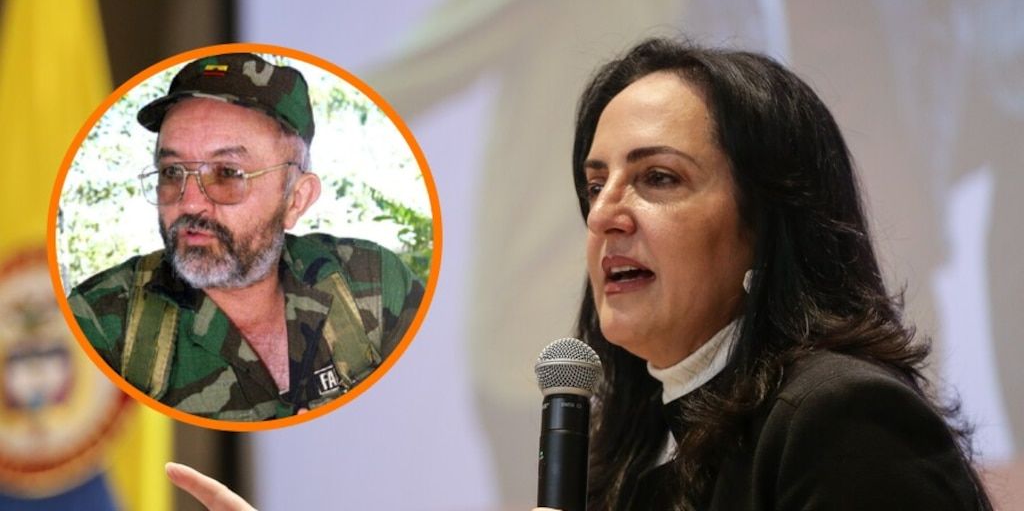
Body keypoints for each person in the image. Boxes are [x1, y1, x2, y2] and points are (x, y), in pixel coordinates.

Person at [163, 39, 994, 509]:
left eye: (658, 178)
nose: (605, 216)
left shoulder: (843, 420)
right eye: (596, 185)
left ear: (765, 223)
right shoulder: (626, 460)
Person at [68, 53, 424, 421]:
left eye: (227, 173)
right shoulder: (101, 321)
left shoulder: (373, 284)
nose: (190, 203)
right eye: (172, 171)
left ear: (296, 199)